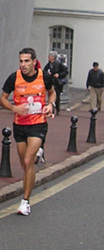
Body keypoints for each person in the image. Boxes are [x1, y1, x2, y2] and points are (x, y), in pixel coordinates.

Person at [1, 48, 56, 216]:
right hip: (20, 125)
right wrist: (14, 107)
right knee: (26, 166)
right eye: (21, 61)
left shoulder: (44, 76)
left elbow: (52, 93)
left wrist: (50, 105)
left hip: (38, 124)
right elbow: (3, 98)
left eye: (26, 61)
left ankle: (25, 202)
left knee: (27, 159)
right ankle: (38, 154)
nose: (23, 64)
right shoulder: (14, 78)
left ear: (34, 61)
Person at [43, 50, 68, 115]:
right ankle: (51, 109)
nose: (48, 57)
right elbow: (44, 71)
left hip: (57, 82)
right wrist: (48, 74)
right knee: (50, 95)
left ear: (53, 57)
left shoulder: (59, 63)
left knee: (57, 96)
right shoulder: (49, 64)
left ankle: (57, 109)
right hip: (51, 82)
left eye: (50, 56)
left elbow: (65, 71)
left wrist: (58, 75)